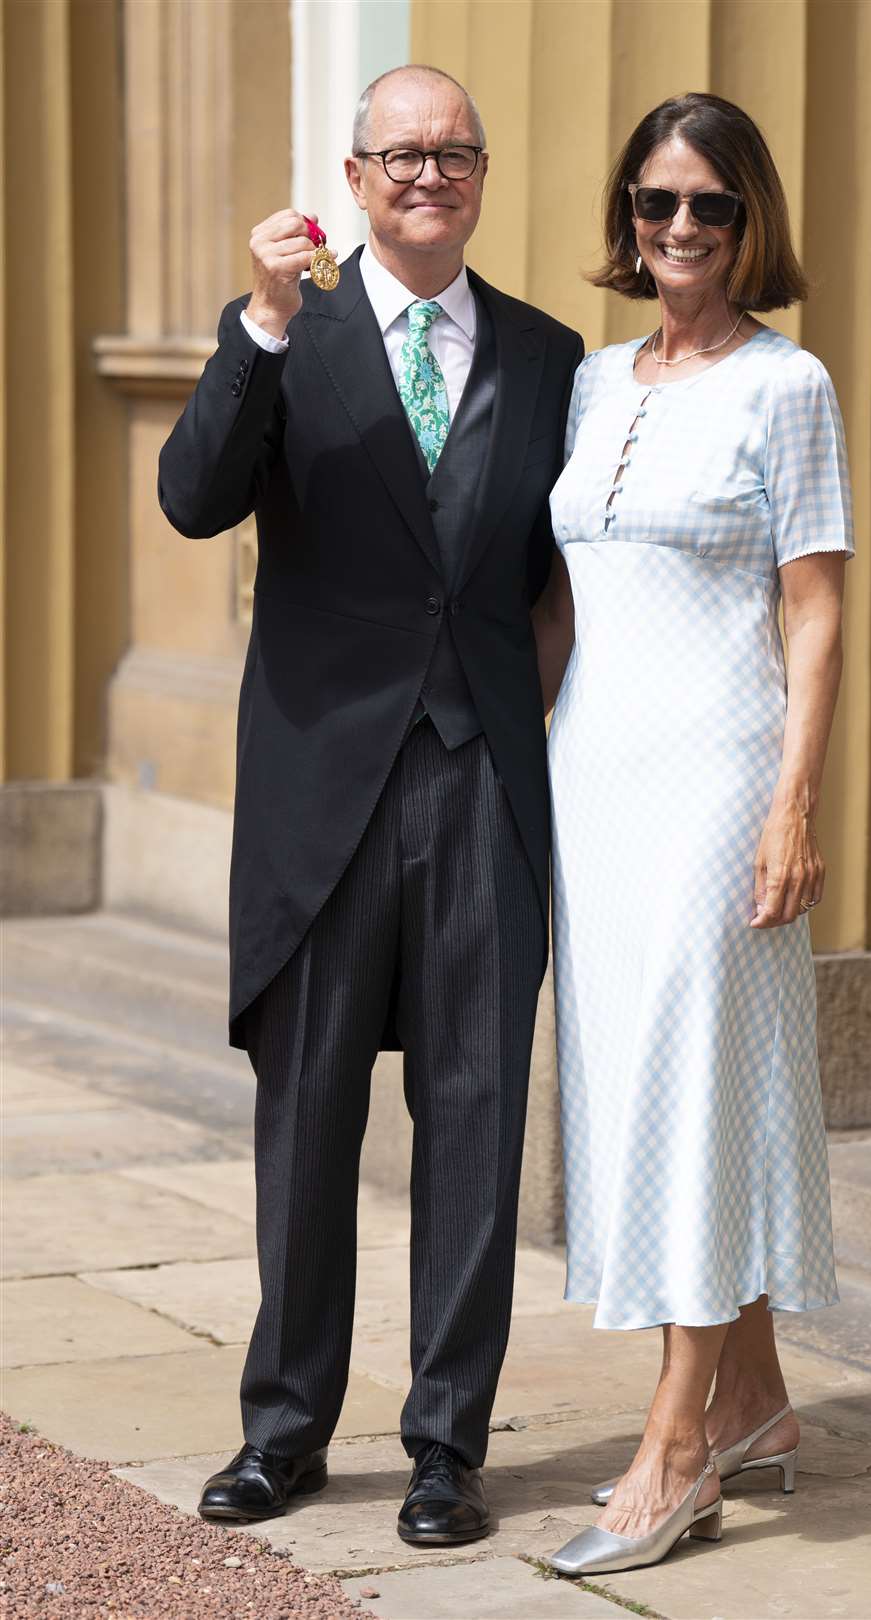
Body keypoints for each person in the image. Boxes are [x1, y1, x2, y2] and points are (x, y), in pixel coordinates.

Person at [158, 64, 582, 1546]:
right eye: (398, 155)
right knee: (310, 1120)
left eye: (453, 152)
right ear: (353, 179)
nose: (427, 175)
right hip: (319, 788)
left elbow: (563, 576)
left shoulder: (548, 355)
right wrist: (259, 326)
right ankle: (283, 1434)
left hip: (480, 788)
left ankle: (447, 1449)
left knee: (473, 1120)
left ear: (480, 177)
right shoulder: (298, 334)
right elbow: (194, 497)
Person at [532, 92, 853, 1576]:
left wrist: (794, 803)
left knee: (695, 1082)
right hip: (591, 778)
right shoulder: (595, 384)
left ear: (749, 225)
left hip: (720, 778)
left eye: (708, 210)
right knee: (648, 1076)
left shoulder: (789, 386)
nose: (678, 232)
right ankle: (761, 1401)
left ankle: (676, 1447)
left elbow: (817, 605)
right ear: (629, 217)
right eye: (656, 204)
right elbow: (559, 602)